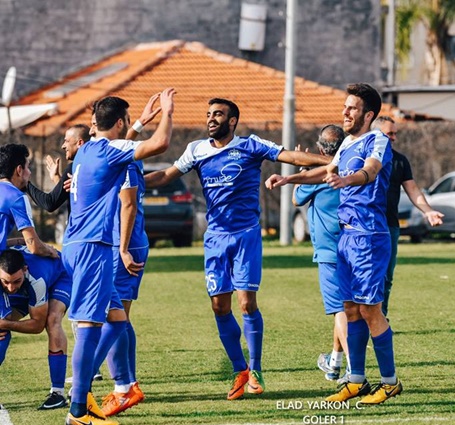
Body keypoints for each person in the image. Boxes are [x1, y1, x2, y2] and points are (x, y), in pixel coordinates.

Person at [144, 97, 330, 401]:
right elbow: (166, 175)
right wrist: (130, 180)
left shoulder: (250, 145)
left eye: (218, 114)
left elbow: (289, 155)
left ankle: (255, 370)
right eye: (209, 114)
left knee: (246, 303)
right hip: (215, 239)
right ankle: (239, 370)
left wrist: (332, 162)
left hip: (245, 235)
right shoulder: (197, 150)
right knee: (219, 306)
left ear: (232, 121)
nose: (211, 119)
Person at [265, 83, 402, 405]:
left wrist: (346, 179)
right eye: (345, 107)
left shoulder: (377, 140)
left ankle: (390, 382)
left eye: (352, 108)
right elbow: (325, 170)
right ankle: (356, 380)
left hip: (368, 235)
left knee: (370, 309)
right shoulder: (348, 143)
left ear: (368, 115)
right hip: (346, 237)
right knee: (350, 309)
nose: (345, 112)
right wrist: (288, 179)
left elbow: (371, 171)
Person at [62, 88, 175, 425]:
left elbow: (119, 144)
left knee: (117, 318)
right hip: (93, 247)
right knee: (89, 326)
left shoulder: (86, 149)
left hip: (77, 244)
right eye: (126, 121)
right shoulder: (112, 152)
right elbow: (160, 144)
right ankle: (78, 410)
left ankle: (100, 394)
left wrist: (138, 122)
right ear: (120, 123)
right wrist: (168, 111)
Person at [292, 125, 350, 382]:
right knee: (348, 307)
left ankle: (354, 369)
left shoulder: (322, 175)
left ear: (319, 149)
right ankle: (334, 362)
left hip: (329, 251)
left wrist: (303, 170)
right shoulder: (351, 168)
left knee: (340, 310)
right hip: (354, 246)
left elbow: (296, 198)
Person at [370, 116, 443, 317]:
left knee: (386, 276)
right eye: (389, 134)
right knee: (365, 275)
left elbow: (412, 189)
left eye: (395, 133)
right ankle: (361, 320)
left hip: (390, 226)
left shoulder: (400, 160)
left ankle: (380, 319)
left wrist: (428, 211)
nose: (394, 138)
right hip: (365, 225)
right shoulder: (362, 158)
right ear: (375, 135)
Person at [0, 247, 72, 410]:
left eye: (16, 281)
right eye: (6, 282)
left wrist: (4, 324)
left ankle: (58, 393)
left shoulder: (36, 280)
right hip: (27, 285)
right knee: (3, 326)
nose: (10, 288)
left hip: (59, 276)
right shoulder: (11, 281)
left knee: (52, 320)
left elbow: (37, 325)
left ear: (24, 270)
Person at [0, 144, 59, 259]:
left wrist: (19, 241)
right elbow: (35, 248)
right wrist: (51, 251)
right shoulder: (16, 197)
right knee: (55, 263)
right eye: (28, 167)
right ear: (19, 170)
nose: (30, 173)